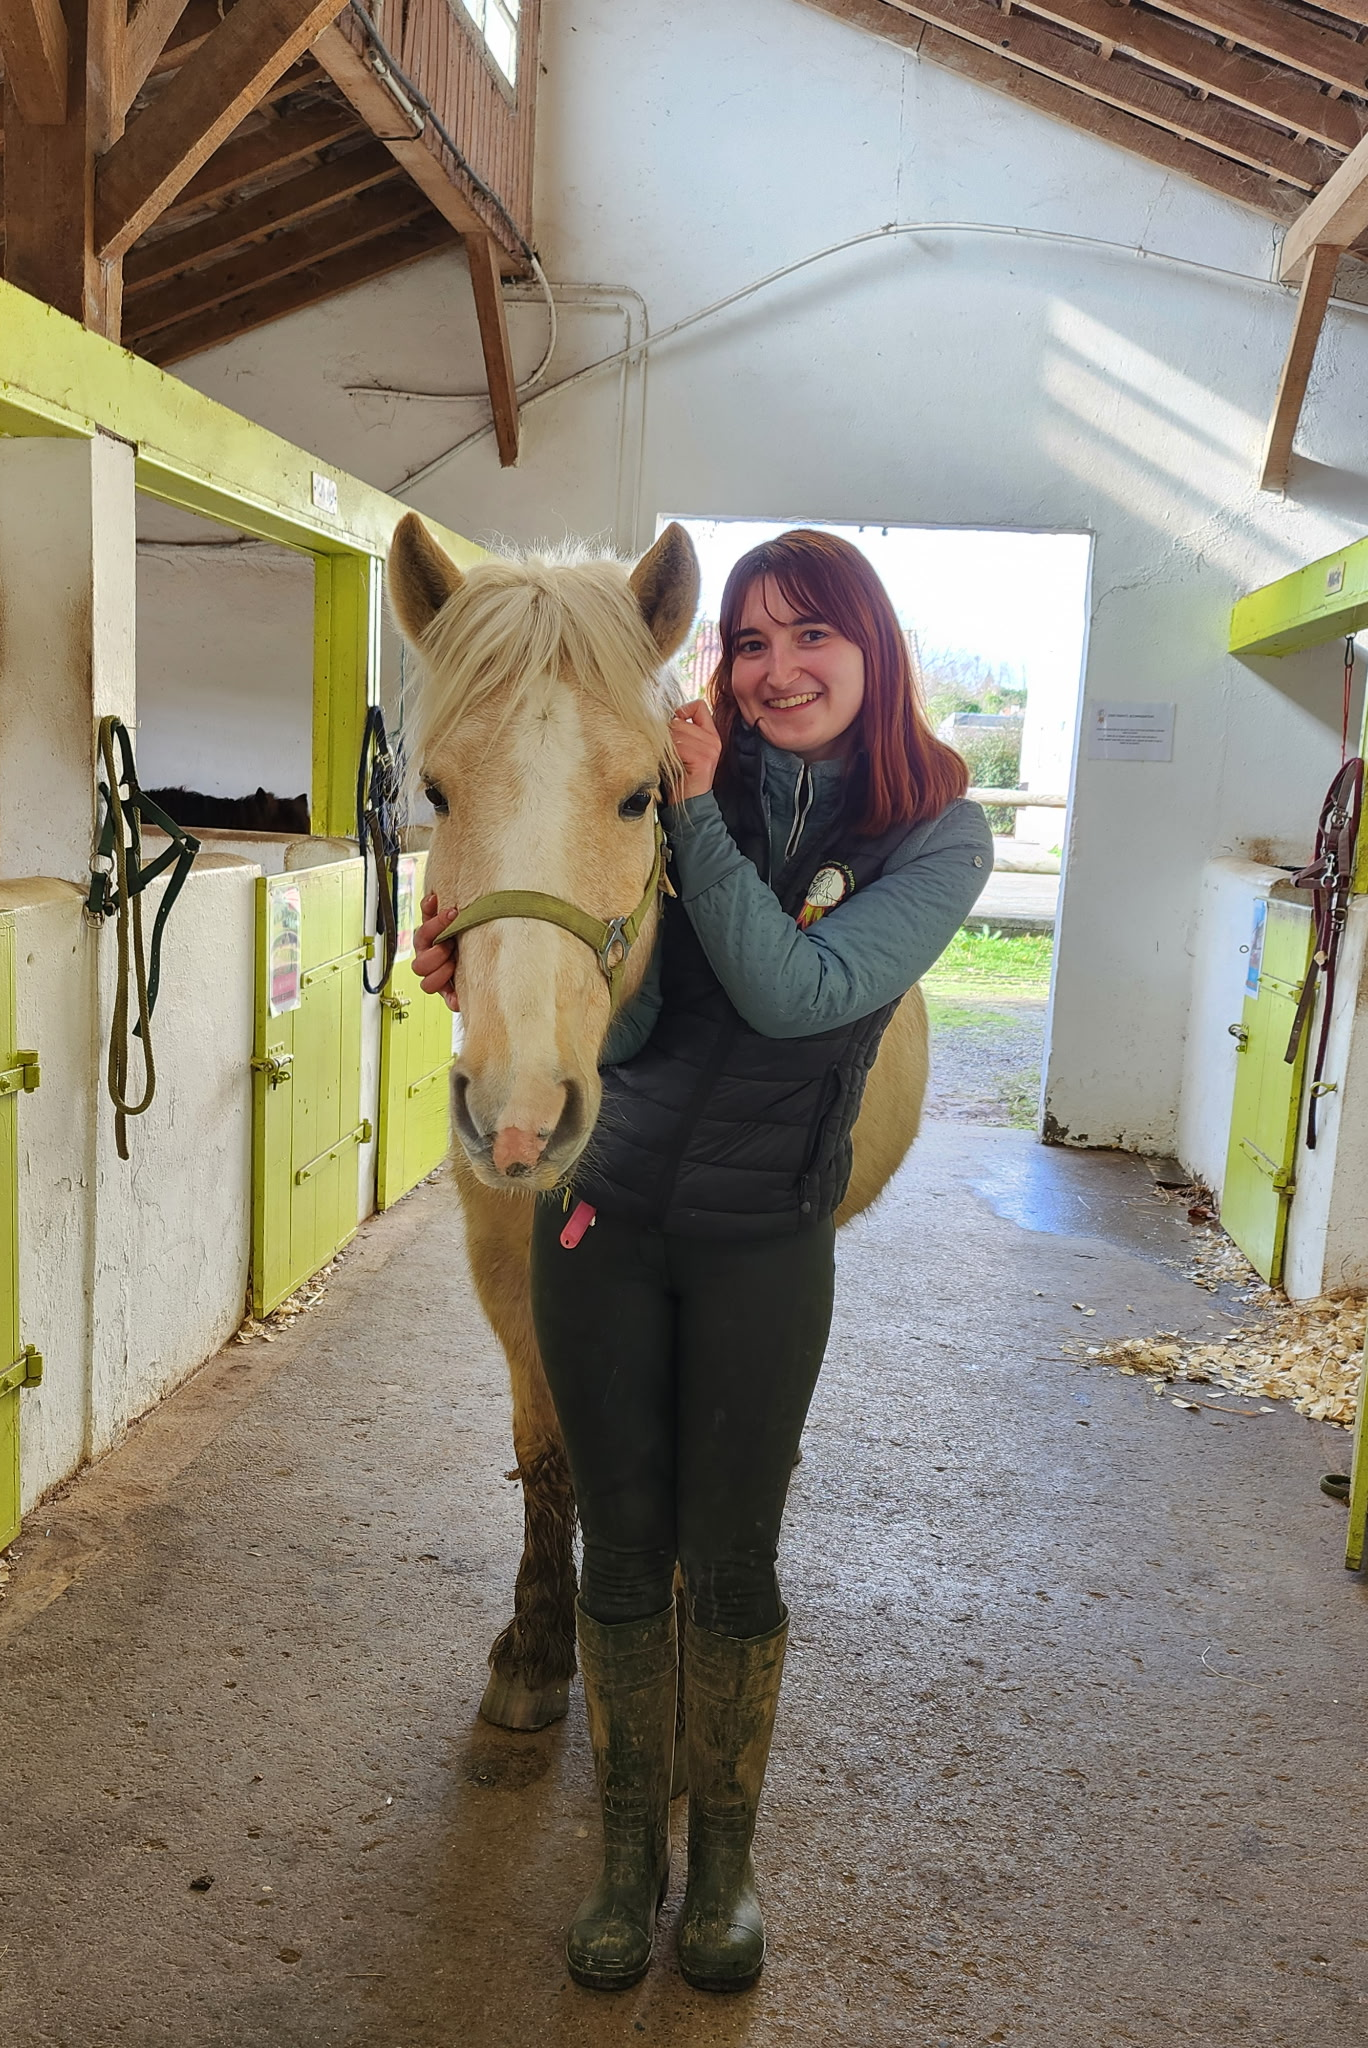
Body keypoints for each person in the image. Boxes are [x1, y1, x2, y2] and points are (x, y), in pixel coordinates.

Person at [412, 528, 993, 1993]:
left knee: (726, 1555)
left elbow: (801, 994)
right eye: (752, 643)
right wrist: (505, 952)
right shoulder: (653, 774)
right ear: (714, 655)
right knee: (619, 1532)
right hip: (617, 1200)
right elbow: (644, 987)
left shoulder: (929, 838)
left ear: (877, 649)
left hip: (766, 1223)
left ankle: (718, 1865)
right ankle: (621, 1841)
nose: (780, 669)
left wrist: (688, 815)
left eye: (815, 639)